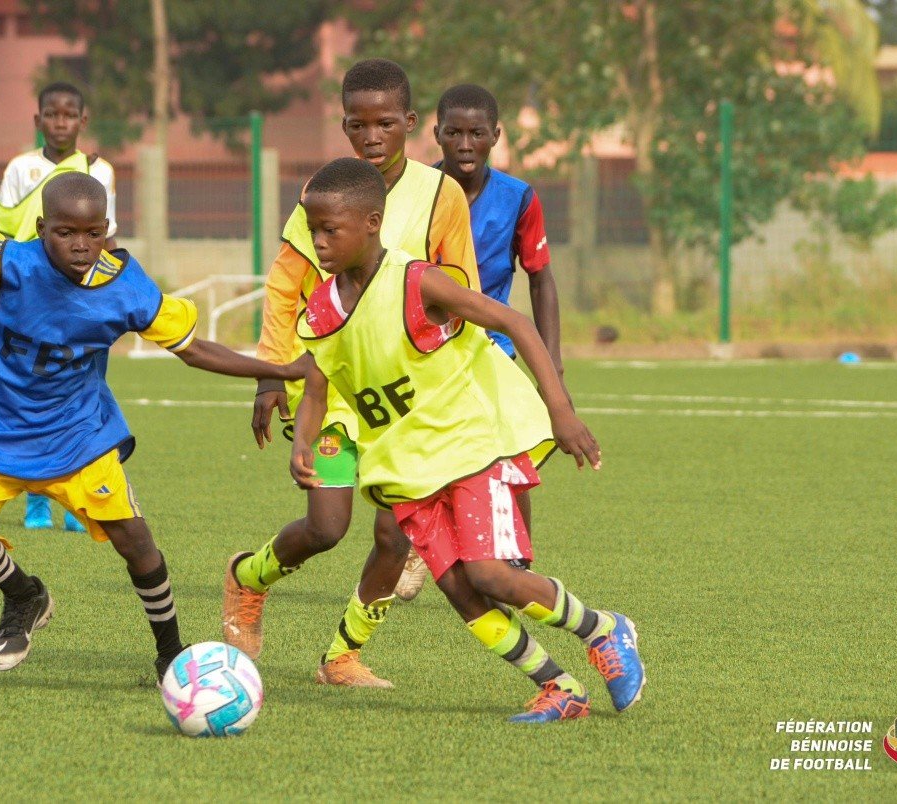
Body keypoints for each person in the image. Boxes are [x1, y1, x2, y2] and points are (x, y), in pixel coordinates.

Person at [0, 172, 307, 677]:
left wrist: (278, 370)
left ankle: (170, 654)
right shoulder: (4, 264)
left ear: (107, 230)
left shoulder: (126, 288)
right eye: (66, 233)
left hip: (75, 433)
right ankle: (24, 596)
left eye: (93, 233)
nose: (81, 245)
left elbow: (194, 349)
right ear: (41, 228)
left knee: (135, 540)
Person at [290, 157, 645, 723]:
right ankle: (559, 687)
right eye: (313, 230)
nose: (319, 242)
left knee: (490, 574)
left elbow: (514, 322)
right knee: (460, 589)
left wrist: (560, 410)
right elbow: (317, 381)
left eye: (330, 229)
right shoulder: (323, 309)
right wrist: (303, 441)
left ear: (372, 223)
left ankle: (603, 629)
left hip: (471, 449)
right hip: (407, 471)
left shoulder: (416, 281)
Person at [222, 58, 478, 688]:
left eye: (384, 124)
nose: (372, 137)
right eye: (358, 125)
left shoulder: (441, 195)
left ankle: (341, 657)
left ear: (409, 123)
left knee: (395, 533)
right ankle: (247, 578)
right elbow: (285, 286)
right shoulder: (325, 192)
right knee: (326, 527)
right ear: (343, 127)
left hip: (407, 398)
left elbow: (462, 286)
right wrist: (269, 376)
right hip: (335, 391)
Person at [391, 83, 569, 600]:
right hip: (426, 348)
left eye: (477, 133)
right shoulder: (415, 191)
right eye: (454, 133)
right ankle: (419, 546)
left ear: (496, 135)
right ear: (436, 134)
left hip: (492, 348)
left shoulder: (519, 198)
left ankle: (515, 565)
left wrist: (552, 364)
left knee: (510, 455)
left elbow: (541, 278)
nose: (465, 144)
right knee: (426, 455)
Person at [0, 81, 118, 532]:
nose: (60, 122)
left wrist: (111, 292)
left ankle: (76, 501)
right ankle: (36, 501)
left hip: (82, 297)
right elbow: (0, 232)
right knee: (35, 394)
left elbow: (107, 235)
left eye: (68, 115)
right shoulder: (20, 168)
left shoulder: (100, 171)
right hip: (31, 296)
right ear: (38, 119)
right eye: (51, 114)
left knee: (85, 392)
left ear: (83, 121)